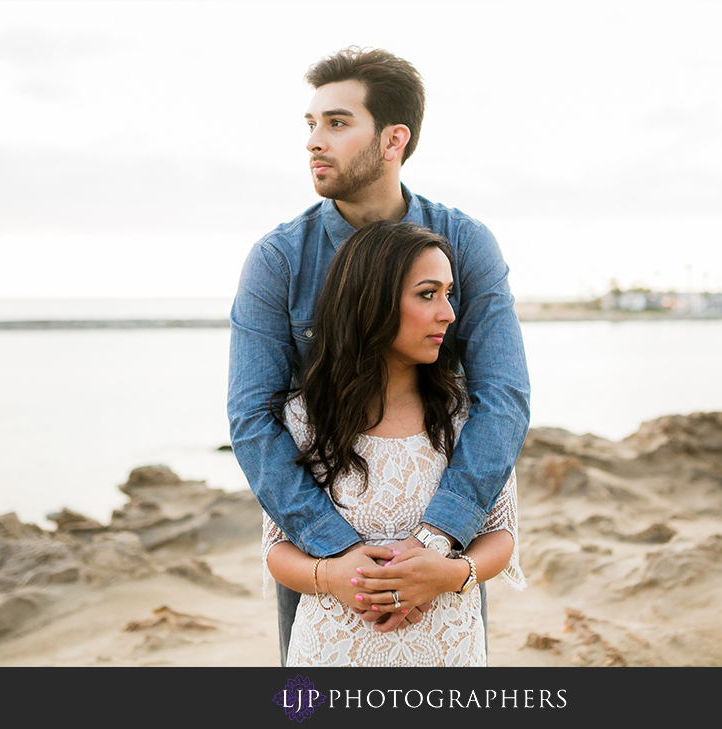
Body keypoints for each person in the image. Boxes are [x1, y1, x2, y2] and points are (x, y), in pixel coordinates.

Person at [227, 47, 530, 666]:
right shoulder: (279, 260)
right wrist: (336, 557)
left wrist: (436, 547)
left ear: (394, 139)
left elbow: (503, 397)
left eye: (337, 123)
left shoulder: (464, 243)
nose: (315, 141)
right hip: (325, 565)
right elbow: (252, 418)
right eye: (310, 124)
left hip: (443, 560)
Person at [262, 221, 525, 666]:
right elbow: (275, 549)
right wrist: (334, 577)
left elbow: (501, 535)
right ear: (371, 302)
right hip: (331, 655)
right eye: (428, 294)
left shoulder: (466, 415)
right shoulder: (305, 417)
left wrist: (452, 573)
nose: (449, 313)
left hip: (447, 653)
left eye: (448, 293)